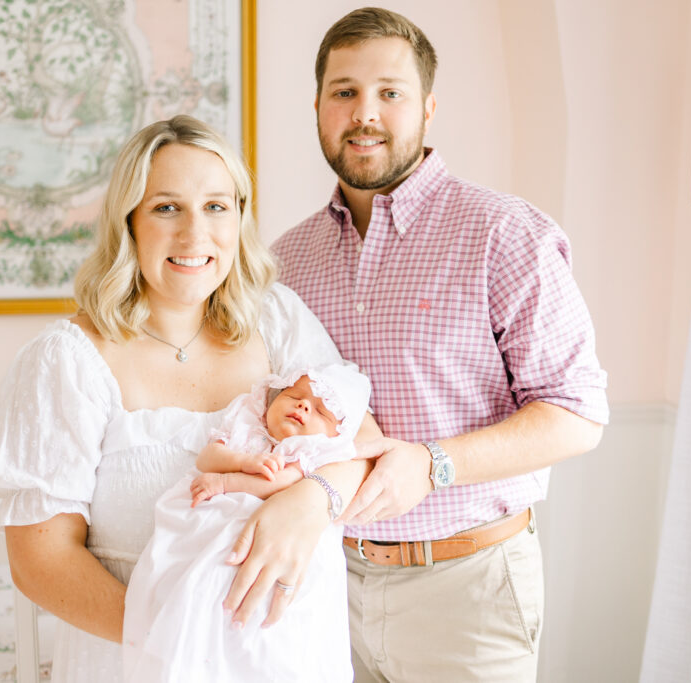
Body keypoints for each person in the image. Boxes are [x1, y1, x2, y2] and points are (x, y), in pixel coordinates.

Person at [270, 8, 610, 683]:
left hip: (470, 589)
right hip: (327, 585)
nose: (365, 113)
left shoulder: (506, 234)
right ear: (317, 107)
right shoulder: (286, 260)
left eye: (389, 93)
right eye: (344, 92)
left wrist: (433, 464)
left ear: (427, 108)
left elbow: (578, 415)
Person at [0, 115, 374, 683]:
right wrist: (181, 640)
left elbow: (361, 440)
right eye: (167, 208)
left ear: (239, 218)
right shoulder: (66, 361)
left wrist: (310, 500)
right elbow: (41, 561)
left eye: (216, 206)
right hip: (140, 662)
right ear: (129, 222)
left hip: (287, 656)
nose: (195, 235)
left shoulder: (279, 321)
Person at [123, 364, 371, 682]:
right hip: (205, 513)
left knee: (236, 587)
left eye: (322, 411)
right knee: (187, 572)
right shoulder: (247, 425)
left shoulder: (311, 453)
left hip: (267, 522)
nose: (304, 405)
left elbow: (279, 483)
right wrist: (242, 462)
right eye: (294, 395)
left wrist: (226, 483)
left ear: (336, 433)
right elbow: (207, 458)